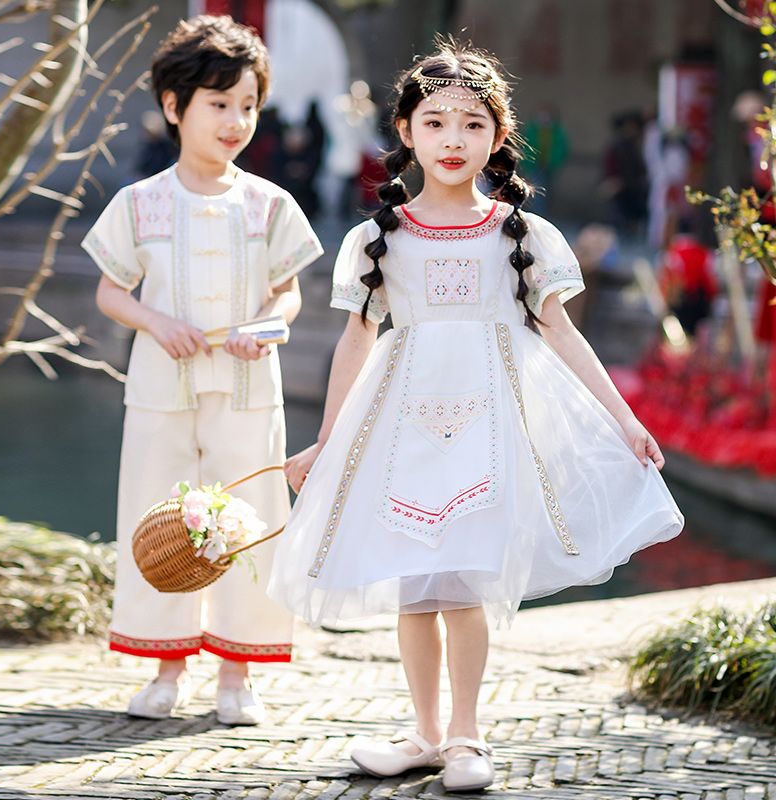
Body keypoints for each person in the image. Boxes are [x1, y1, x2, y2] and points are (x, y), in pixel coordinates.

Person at [267, 39, 683, 792]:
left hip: (493, 424)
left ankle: (466, 736)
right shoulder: (374, 240)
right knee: (415, 587)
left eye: (470, 124)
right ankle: (425, 733)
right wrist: (328, 443)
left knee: (463, 587)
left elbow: (561, 330)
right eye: (435, 122)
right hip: (401, 426)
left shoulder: (523, 234)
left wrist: (623, 420)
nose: (452, 140)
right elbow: (356, 341)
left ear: (498, 135)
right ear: (405, 131)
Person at [81, 16, 323, 725]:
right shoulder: (139, 202)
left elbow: (290, 287)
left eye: (248, 105)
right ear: (173, 106)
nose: (236, 121)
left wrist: (271, 323)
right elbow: (109, 291)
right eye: (219, 104)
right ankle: (166, 669)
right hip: (163, 389)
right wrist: (157, 322)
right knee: (161, 522)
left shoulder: (270, 203)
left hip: (249, 389)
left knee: (248, 524)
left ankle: (237, 676)